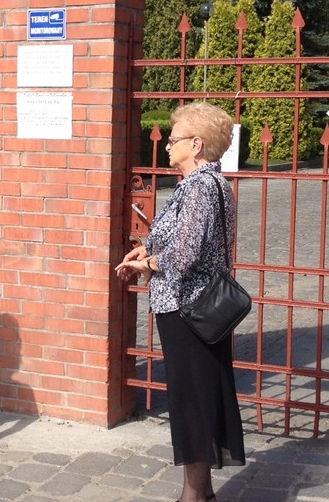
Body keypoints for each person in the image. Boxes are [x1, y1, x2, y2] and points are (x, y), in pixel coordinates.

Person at [114, 101, 245, 502]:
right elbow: (179, 238)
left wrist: (149, 264)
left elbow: (186, 255)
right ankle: (200, 494)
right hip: (190, 306)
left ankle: (193, 496)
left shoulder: (203, 187)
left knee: (193, 401)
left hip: (189, 308)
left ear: (197, 144)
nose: (168, 146)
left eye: (174, 140)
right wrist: (147, 249)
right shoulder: (202, 185)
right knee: (195, 397)